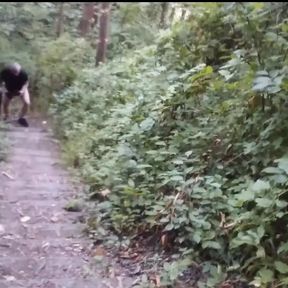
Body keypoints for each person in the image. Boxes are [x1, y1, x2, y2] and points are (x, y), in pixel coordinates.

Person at [0, 63, 30, 127]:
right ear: (11, 70)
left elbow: (26, 83)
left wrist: (22, 91)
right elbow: (1, 82)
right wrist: (4, 89)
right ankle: (6, 116)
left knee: (27, 102)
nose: (16, 73)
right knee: (5, 103)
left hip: (21, 88)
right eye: (14, 72)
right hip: (9, 89)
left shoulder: (23, 73)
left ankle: (21, 117)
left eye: (17, 72)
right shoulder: (5, 72)